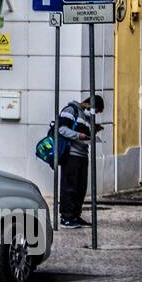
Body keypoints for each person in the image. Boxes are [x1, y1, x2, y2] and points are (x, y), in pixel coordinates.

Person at [57, 94, 103, 228]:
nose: (96, 113)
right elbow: (62, 129)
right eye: (96, 110)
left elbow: (85, 134)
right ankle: (66, 218)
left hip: (83, 155)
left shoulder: (86, 117)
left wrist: (94, 130)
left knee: (80, 188)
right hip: (71, 154)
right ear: (88, 104)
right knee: (69, 186)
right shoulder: (71, 110)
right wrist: (79, 135)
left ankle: (75, 216)